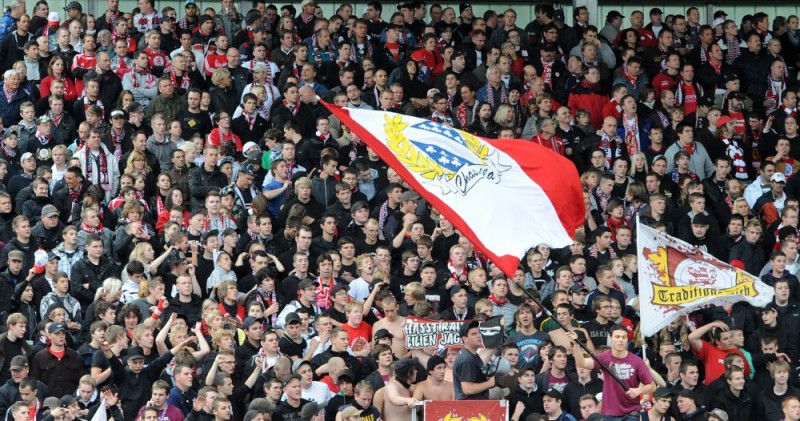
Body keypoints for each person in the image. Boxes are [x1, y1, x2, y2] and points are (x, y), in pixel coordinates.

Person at [568, 324, 655, 420]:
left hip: (631, 412)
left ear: (627, 340)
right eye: (617, 337)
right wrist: (576, 344)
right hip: (610, 413)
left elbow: (652, 386)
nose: (621, 340)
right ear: (610, 338)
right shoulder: (604, 357)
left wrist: (639, 390)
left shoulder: (637, 361)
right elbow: (582, 363)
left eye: (624, 337)